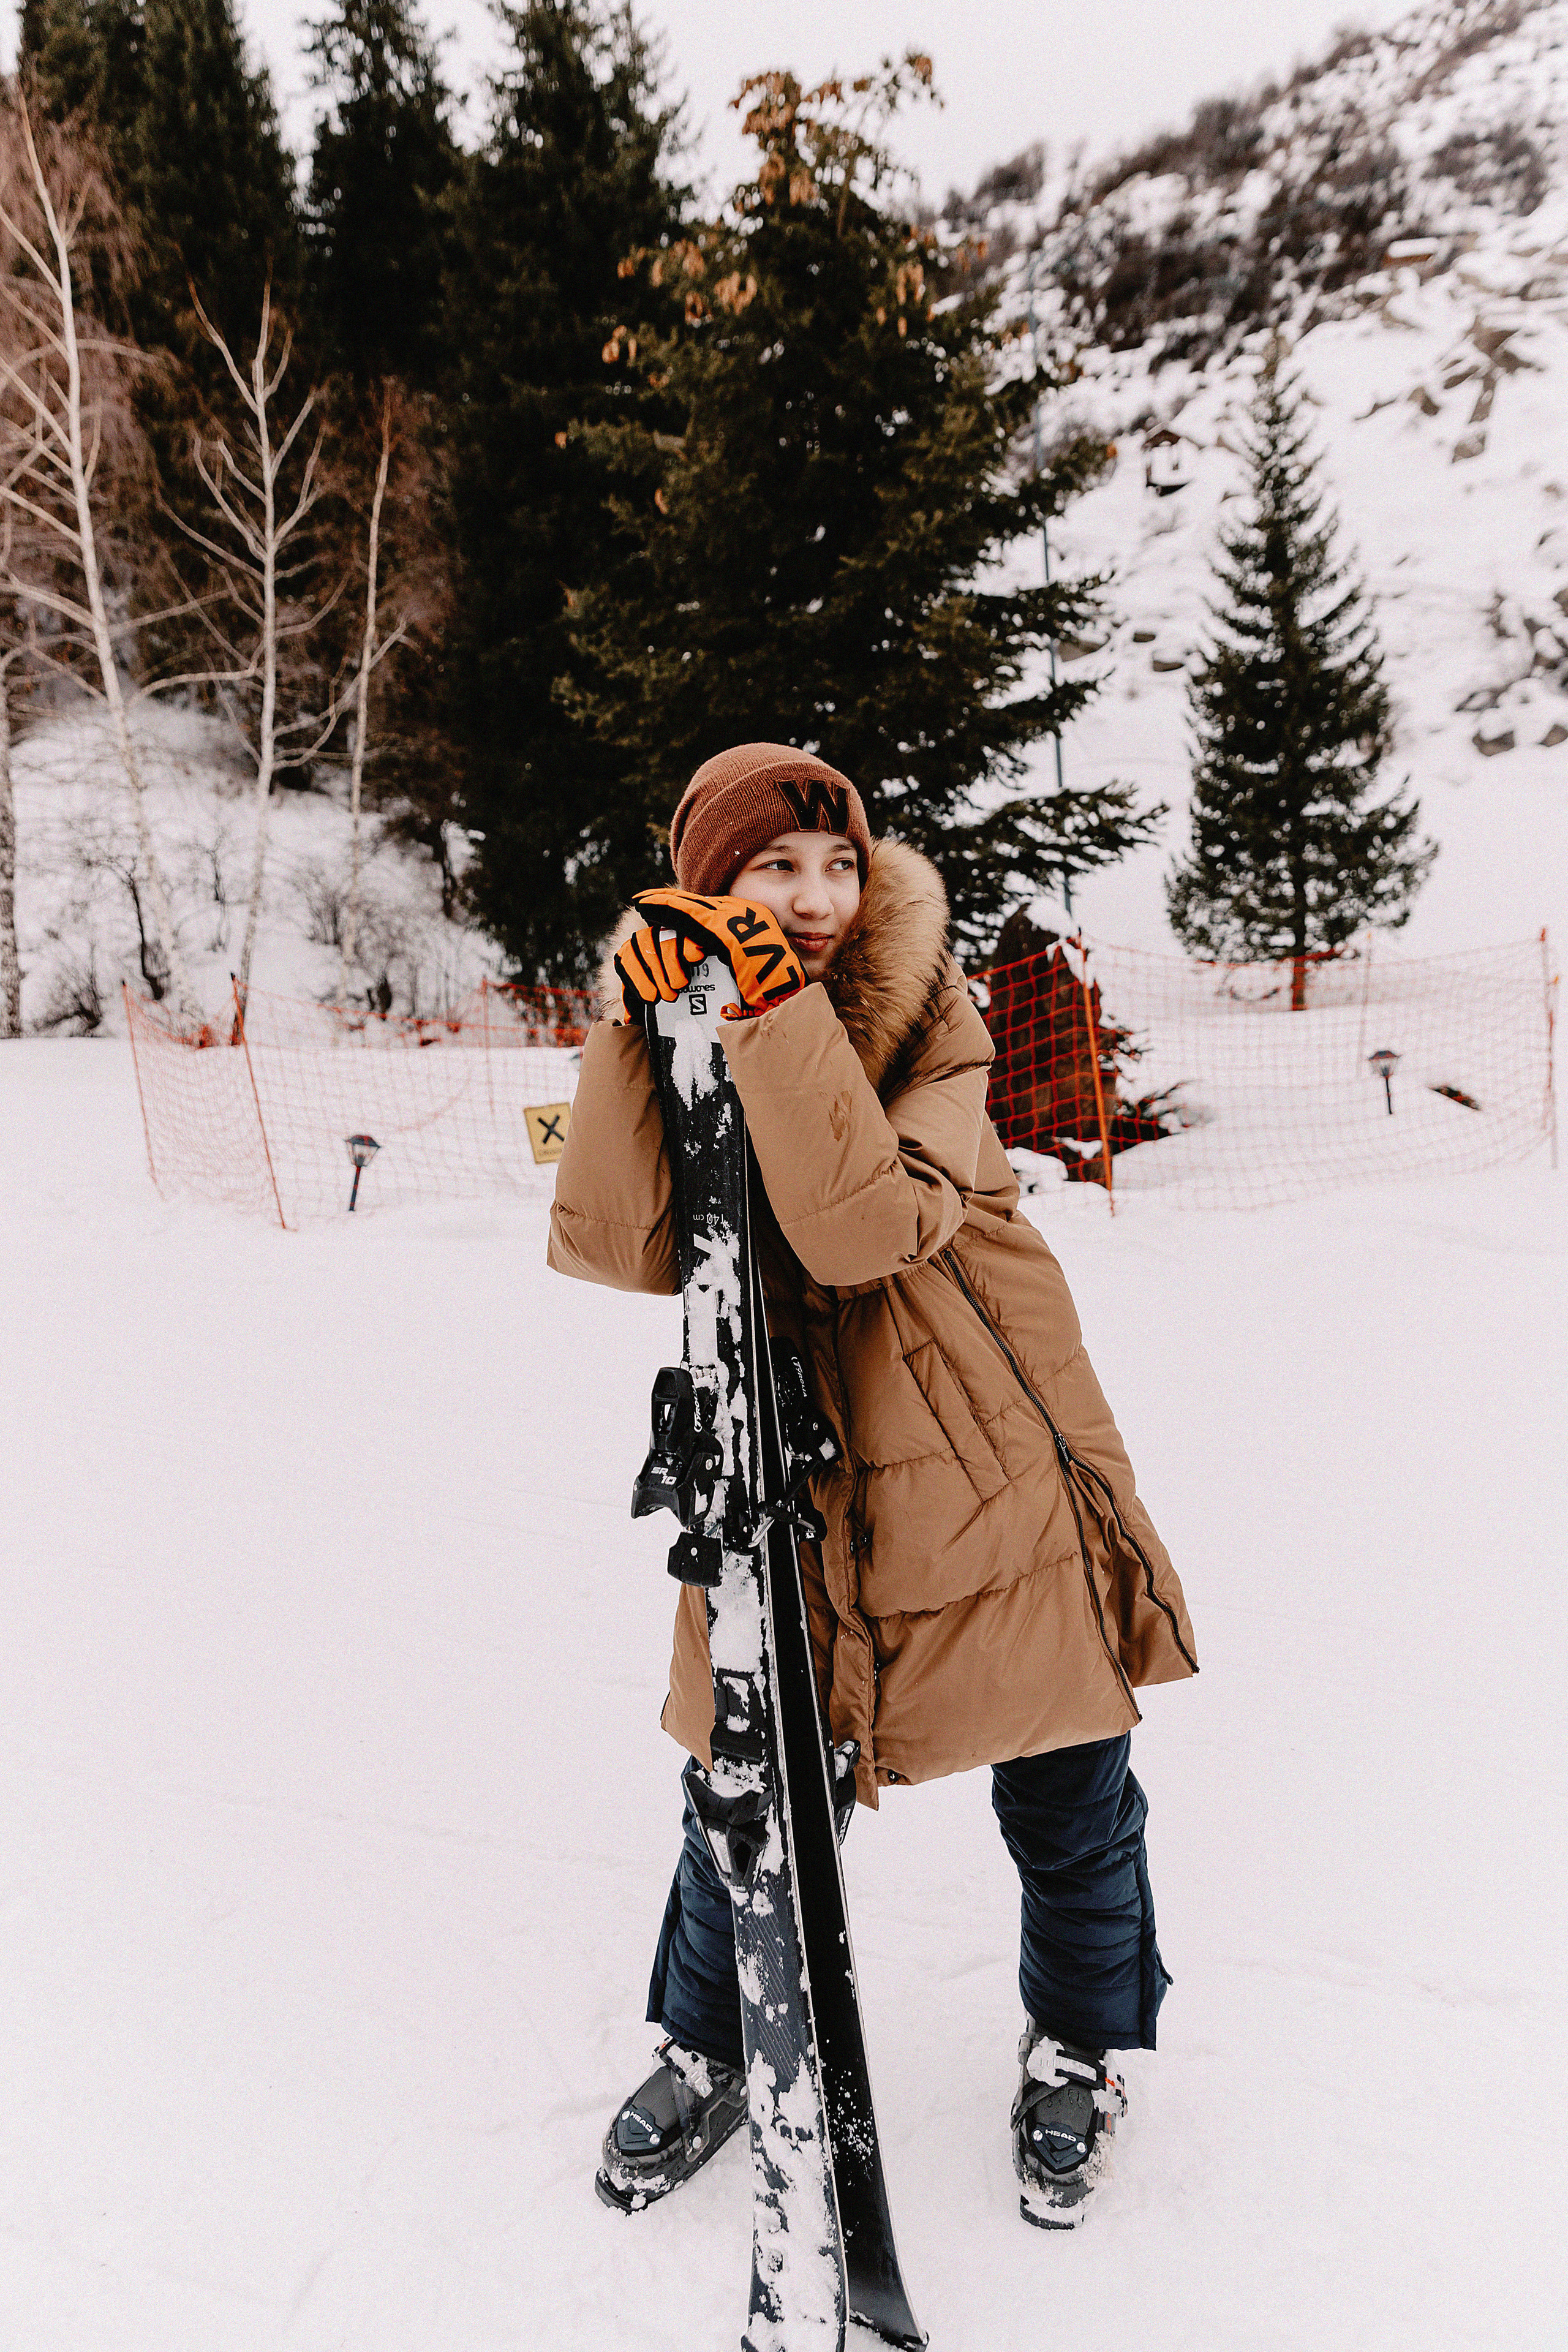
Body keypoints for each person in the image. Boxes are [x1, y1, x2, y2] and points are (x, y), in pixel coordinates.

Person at [547, 742, 1197, 2230]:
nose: (818, 897)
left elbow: (855, 1232)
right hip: (785, 1463)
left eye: (836, 864)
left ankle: (1084, 2043)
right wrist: (635, 1024)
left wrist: (766, 1010)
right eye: (775, 867)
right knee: (746, 1787)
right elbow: (619, 1243)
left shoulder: (932, 1023)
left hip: (985, 1460)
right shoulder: (696, 1012)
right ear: (709, 882)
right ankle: (711, 2042)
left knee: (1066, 1786)